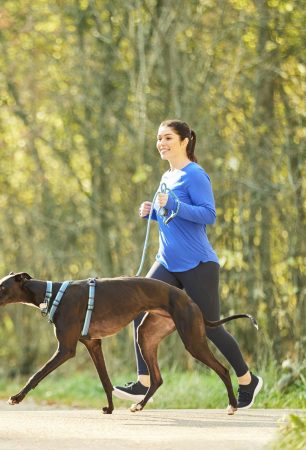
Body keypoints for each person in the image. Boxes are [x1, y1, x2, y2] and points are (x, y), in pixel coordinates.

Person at [113, 119, 263, 409]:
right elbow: (173, 219)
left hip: (197, 264)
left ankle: (247, 380)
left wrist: (173, 205)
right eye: (158, 139)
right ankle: (143, 382)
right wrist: (152, 214)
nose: (161, 143)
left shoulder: (195, 175)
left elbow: (208, 216)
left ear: (184, 140)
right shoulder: (166, 176)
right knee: (135, 308)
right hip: (167, 262)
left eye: (167, 138)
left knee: (210, 326)